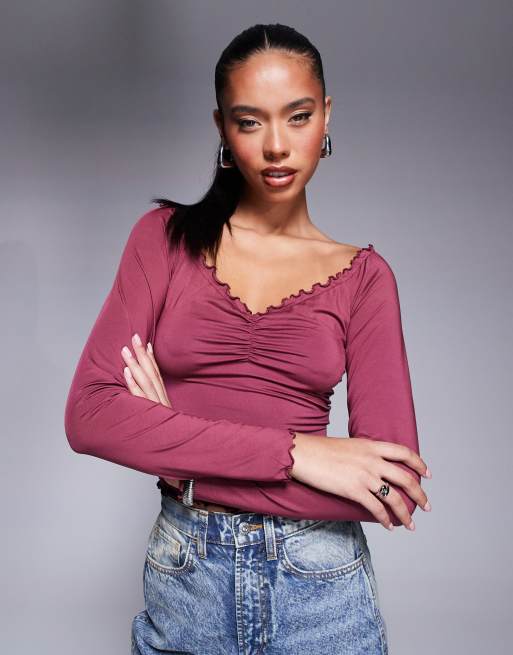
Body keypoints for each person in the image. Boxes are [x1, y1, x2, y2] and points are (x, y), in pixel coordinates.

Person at [64, 22, 432, 655]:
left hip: (320, 585)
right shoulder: (163, 239)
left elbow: (390, 489)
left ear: (326, 116)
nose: (277, 146)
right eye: (250, 122)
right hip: (187, 580)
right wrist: (300, 453)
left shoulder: (365, 278)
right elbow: (90, 416)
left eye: (298, 116)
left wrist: (180, 457)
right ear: (222, 129)